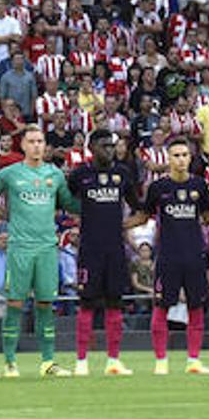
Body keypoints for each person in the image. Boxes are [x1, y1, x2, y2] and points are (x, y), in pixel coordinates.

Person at [0, 126, 76, 377]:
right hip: (20, 247)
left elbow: (68, 203)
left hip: (47, 247)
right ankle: (9, 362)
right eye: (32, 141)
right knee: (15, 302)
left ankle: (48, 362)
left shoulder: (55, 175)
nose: (37, 145)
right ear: (23, 145)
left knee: (45, 304)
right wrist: (0, 215)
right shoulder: (9, 174)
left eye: (40, 141)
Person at [67, 129, 142, 377]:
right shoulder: (80, 175)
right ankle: (81, 361)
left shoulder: (122, 174)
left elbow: (139, 209)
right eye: (104, 146)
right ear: (91, 148)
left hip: (115, 248)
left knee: (115, 303)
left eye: (112, 145)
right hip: (90, 248)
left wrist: (122, 226)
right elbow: (65, 202)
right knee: (87, 303)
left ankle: (113, 360)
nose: (110, 150)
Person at [143, 138, 209, 375]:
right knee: (162, 305)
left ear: (190, 158)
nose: (181, 160)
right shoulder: (158, 188)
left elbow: (206, 216)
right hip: (168, 256)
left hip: (194, 254)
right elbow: (145, 215)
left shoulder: (200, 186)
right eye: (176, 155)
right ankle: (160, 361)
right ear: (168, 159)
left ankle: (193, 360)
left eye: (184, 155)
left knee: (196, 306)